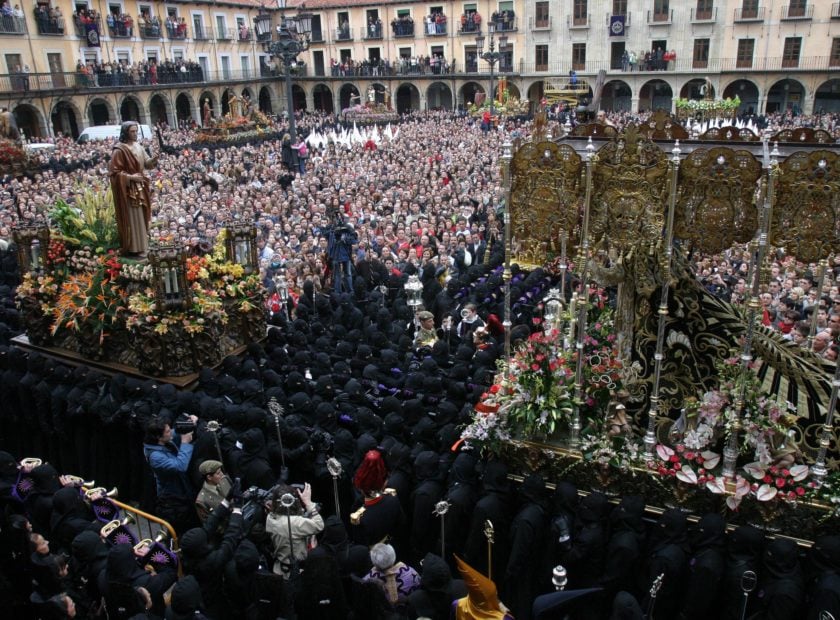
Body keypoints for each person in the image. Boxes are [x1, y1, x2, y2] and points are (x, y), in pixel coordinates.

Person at [108, 121, 158, 256]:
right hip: (128, 189)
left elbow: (146, 164)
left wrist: (153, 160)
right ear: (125, 132)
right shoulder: (120, 150)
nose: (135, 134)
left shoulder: (138, 146)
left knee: (142, 216)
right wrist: (130, 178)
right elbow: (114, 173)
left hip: (141, 185)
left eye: (136, 131)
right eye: (132, 131)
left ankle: (144, 244)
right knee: (134, 217)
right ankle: (136, 247)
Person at [143, 415, 198, 535]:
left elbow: (175, 431)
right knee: (178, 531)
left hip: (181, 490)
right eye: (167, 431)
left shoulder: (161, 441)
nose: (171, 432)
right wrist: (185, 443)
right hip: (172, 500)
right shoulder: (155, 456)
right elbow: (180, 466)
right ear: (158, 437)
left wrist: (188, 424)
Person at [265, 482, 324, 579]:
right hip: (297, 573)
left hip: (279, 570)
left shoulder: (270, 518)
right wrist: (308, 502)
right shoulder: (296, 523)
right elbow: (319, 524)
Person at [194, 459, 231, 524]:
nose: (222, 474)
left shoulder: (225, 480)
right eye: (218, 473)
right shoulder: (201, 501)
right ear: (209, 477)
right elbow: (209, 525)